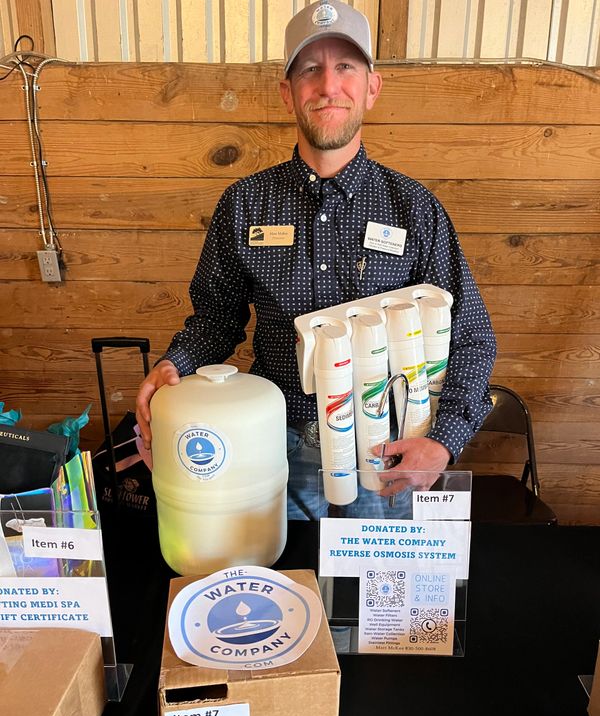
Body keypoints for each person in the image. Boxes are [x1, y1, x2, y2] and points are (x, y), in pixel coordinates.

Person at [135, 0, 496, 519]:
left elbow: (472, 337)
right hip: (274, 450)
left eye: (346, 66)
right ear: (288, 93)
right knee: (286, 594)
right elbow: (215, 319)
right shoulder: (245, 204)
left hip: (387, 456)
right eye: (311, 69)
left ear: (372, 87)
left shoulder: (415, 208)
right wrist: (176, 363)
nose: (329, 86)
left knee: (377, 598)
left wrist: (442, 441)